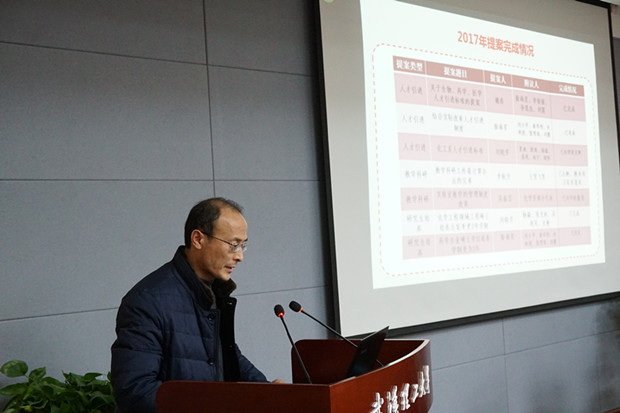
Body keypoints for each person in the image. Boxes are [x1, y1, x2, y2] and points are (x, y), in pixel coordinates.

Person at [111, 197, 278, 413]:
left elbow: (228, 358)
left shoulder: (213, 291)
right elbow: (136, 392)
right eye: (233, 245)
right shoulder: (146, 301)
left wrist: (270, 393)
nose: (240, 256)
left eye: (243, 245)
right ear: (198, 239)